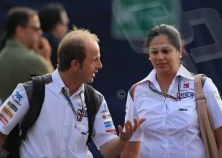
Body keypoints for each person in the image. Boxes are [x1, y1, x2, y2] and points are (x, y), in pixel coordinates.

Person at [0, 27, 144, 157]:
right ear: (75, 64)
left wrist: (123, 140)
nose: (99, 66)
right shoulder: (30, 91)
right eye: (95, 60)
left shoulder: (95, 99)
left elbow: (108, 151)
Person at [121, 24, 222, 158]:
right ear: (148, 55)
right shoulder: (137, 91)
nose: (160, 57)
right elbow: (130, 148)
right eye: (154, 52)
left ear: (180, 51)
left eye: (166, 51)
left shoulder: (203, 85)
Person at [0, 7, 53, 103]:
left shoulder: (2, 56)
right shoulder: (33, 61)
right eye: (36, 28)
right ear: (20, 31)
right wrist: (46, 59)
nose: (40, 32)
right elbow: (56, 94)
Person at [39, 2, 70, 68]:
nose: (67, 29)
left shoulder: (33, 45)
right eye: (65, 24)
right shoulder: (60, 48)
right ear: (57, 26)